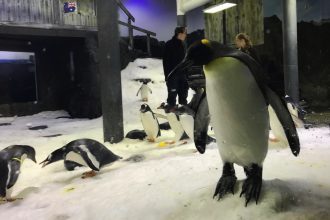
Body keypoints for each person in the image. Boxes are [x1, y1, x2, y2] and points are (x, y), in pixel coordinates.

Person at [162, 27, 189, 112]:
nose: (186, 35)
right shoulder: (169, 44)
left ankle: (184, 117)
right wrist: (167, 76)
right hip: (173, 76)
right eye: (185, 33)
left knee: (183, 97)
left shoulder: (183, 45)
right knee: (172, 98)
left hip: (183, 76)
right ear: (179, 34)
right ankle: (172, 118)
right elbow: (165, 62)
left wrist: (187, 74)